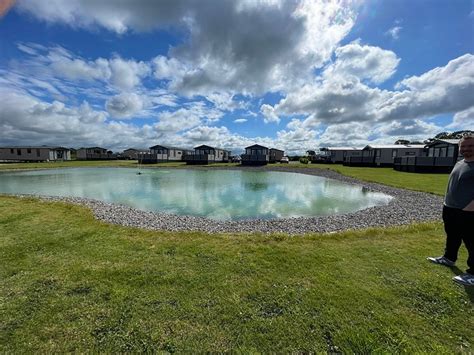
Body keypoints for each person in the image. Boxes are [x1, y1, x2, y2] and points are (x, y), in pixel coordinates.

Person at [427, 133, 474, 286]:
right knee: (452, 235)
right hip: (450, 207)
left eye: (471, 146)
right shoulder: (460, 163)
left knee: (471, 241)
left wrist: (470, 207)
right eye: (464, 146)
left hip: (468, 210)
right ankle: (449, 258)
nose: (467, 149)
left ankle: (473, 274)